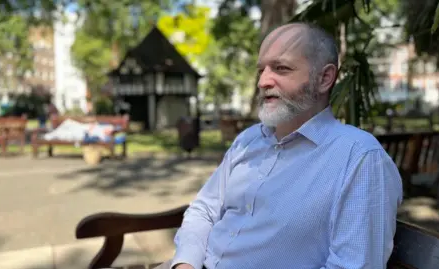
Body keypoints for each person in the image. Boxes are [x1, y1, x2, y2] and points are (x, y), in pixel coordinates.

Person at [156, 22, 403, 269]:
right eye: (261, 70)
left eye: (281, 68)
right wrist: (185, 263)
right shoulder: (248, 140)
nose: (263, 81)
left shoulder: (358, 158)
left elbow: (354, 264)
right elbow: (203, 210)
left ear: (324, 78)